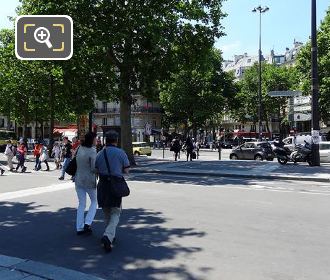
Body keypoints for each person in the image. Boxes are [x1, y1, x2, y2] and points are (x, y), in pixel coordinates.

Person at [95, 130, 130, 252]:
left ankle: (110, 236)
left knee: (106, 211)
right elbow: (126, 171)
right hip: (115, 185)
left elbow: (95, 170)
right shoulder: (121, 153)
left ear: (106, 140)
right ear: (116, 140)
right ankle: (108, 236)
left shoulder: (99, 154)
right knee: (116, 212)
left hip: (102, 185)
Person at [75, 132, 97, 235]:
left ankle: (79, 227)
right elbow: (93, 168)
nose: (96, 141)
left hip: (78, 178)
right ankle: (87, 223)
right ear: (92, 140)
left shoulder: (80, 148)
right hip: (89, 180)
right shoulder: (92, 151)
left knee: (81, 204)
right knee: (94, 201)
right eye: (95, 139)